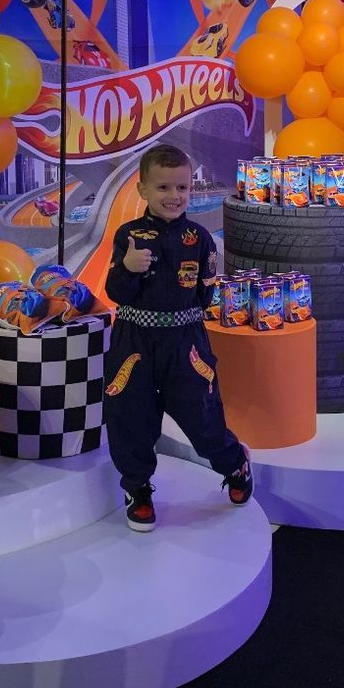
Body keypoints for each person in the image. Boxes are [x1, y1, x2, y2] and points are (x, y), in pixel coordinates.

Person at [104, 143, 253, 531]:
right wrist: (130, 268)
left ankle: (234, 463)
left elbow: (205, 294)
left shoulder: (201, 239)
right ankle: (137, 489)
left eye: (182, 188)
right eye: (164, 188)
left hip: (185, 342)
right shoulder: (128, 235)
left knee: (201, 414)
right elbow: (115, 292)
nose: (174, 197)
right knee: (130, 416)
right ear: (143, 191)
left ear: (193, 189)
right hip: (133, 341)